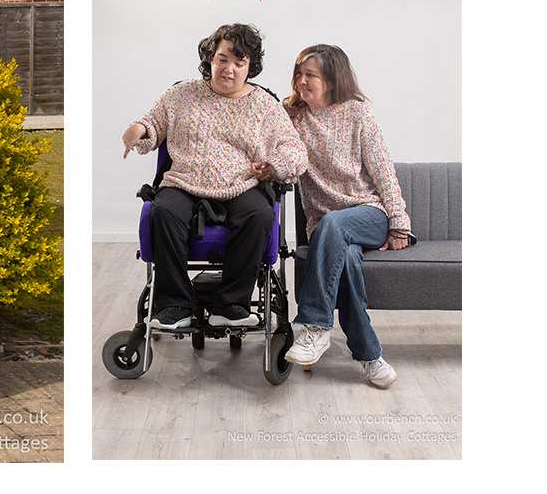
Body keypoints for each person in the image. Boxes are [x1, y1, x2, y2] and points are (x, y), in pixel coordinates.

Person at [121, 22, 306, 330]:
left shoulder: (265, 105)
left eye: (239, 62)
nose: (229, 69)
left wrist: (275, 165)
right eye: (223, 59)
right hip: (184, 182)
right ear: (210, 58)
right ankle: (174, 305)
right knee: (163, 211)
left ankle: (232, 304)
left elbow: (295, 151)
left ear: (250, 67)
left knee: (260, 214)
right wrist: (138, 130)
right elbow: (152, 123)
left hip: (241, 183)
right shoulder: (182, 94)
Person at [282, 45, 411, 388]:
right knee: (348, 263)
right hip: (327, 228)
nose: (301, 81)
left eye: (310, 75)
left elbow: (383, 171)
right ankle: (371, 356)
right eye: (299, 73)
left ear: (332, 79)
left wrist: (399, 223)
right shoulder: (292, 116)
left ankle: (315, 325)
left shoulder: (358, 113)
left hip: (368, 214)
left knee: (334, 223)